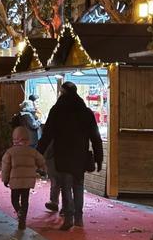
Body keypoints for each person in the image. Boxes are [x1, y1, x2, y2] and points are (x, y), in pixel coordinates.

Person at [36, 81, 104, 230]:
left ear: (63, 92)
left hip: (63, 154)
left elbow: (47, 134)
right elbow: (95, 137)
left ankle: (69, 218)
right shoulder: (86, 112)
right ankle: (79, 218)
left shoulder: (57, 110)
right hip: (80, 155)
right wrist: (99, 158)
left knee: (66, 186)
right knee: (78, 186)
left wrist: (37, 153)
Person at [1, 126, 49, 231]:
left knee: (14, 199)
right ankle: (23, 219)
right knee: (25, 200)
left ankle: (19, 212)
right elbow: (41, 161)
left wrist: (5, 179)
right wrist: (44, 170)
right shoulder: (32, 152)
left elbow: (5, 168)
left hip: (15, 181)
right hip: (27, 181)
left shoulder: (10, 152)